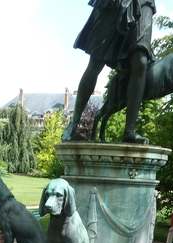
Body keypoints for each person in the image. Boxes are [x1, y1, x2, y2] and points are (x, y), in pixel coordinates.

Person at [63, 0, 156, 143]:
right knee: (96, 61)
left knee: (141, 62)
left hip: (144, 3)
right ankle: (73, 125)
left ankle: (130, 131)